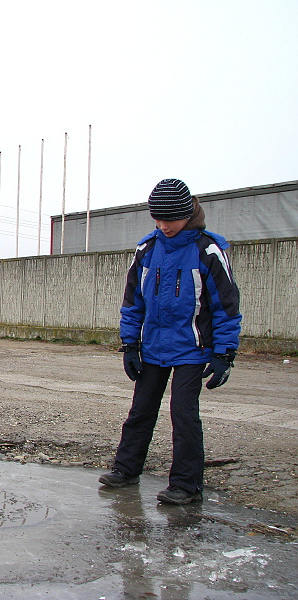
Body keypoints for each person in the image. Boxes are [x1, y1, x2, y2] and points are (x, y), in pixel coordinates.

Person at [99, 179, 242, 505]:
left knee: (184, 414)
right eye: (158, 219)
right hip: (152, 347)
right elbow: (133, 302)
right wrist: (131, 345)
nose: (164, 226)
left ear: (188, 214)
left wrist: (225, 353)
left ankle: (186, 486)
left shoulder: (208, 251)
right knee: (141, 409)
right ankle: (126, 470)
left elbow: (226, 307)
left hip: (193, 349)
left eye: (170, 219)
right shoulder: (147, 250)